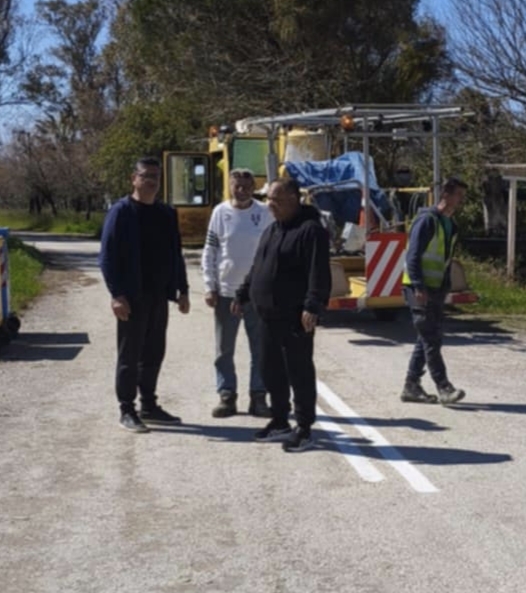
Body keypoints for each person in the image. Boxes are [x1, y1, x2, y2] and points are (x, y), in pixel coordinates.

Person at [234, 178, 332, 452]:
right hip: (267, 315)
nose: (269, 205)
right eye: (268, 199)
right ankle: (279, 421)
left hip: (294, 317)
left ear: (292, 198)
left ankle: (304, 428)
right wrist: (243, 293)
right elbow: (258, 266)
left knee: (299, 372)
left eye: (274, 200)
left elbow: (318, 273)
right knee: (270, 369)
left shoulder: (310, 231)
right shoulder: (272, 229)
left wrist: (312, 306)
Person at [99, 156, 190, 432]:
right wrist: (116, 295)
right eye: (146, 176)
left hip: (159, 295)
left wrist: (183, 290)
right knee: (130, 355)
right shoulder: (121, 212)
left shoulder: (166, 213)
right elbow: (107, 257)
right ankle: (127, 409)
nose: (151, 181)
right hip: (132, 297)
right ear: (134, 179)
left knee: (154, 353)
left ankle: (149, 405)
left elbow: (176, 253)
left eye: (156, 177)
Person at [201, 168, 274, 418]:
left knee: (260, 349)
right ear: (230, 186)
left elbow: (272, 250)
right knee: (224, 350)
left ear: (254, 187)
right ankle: (227, 395)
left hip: (257, 294)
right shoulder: (220, 213)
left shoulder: (264, 213)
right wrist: (210, 286)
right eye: (236, 186)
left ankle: (259, 396)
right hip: (226, 292)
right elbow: (210, 251)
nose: (241, 191)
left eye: (246, 186)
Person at [400, 177, 468, 405]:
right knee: (431, 338)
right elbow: (413, 256)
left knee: (427, 337)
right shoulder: (427, 220)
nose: (461, 200)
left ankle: (411, 386)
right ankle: (444, 387)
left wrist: (445, 287)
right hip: (419, 289)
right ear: (446, 195)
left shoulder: (450, 224)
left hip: (436, 289)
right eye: (458, 195)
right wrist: (418, 285)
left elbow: (444, 260)